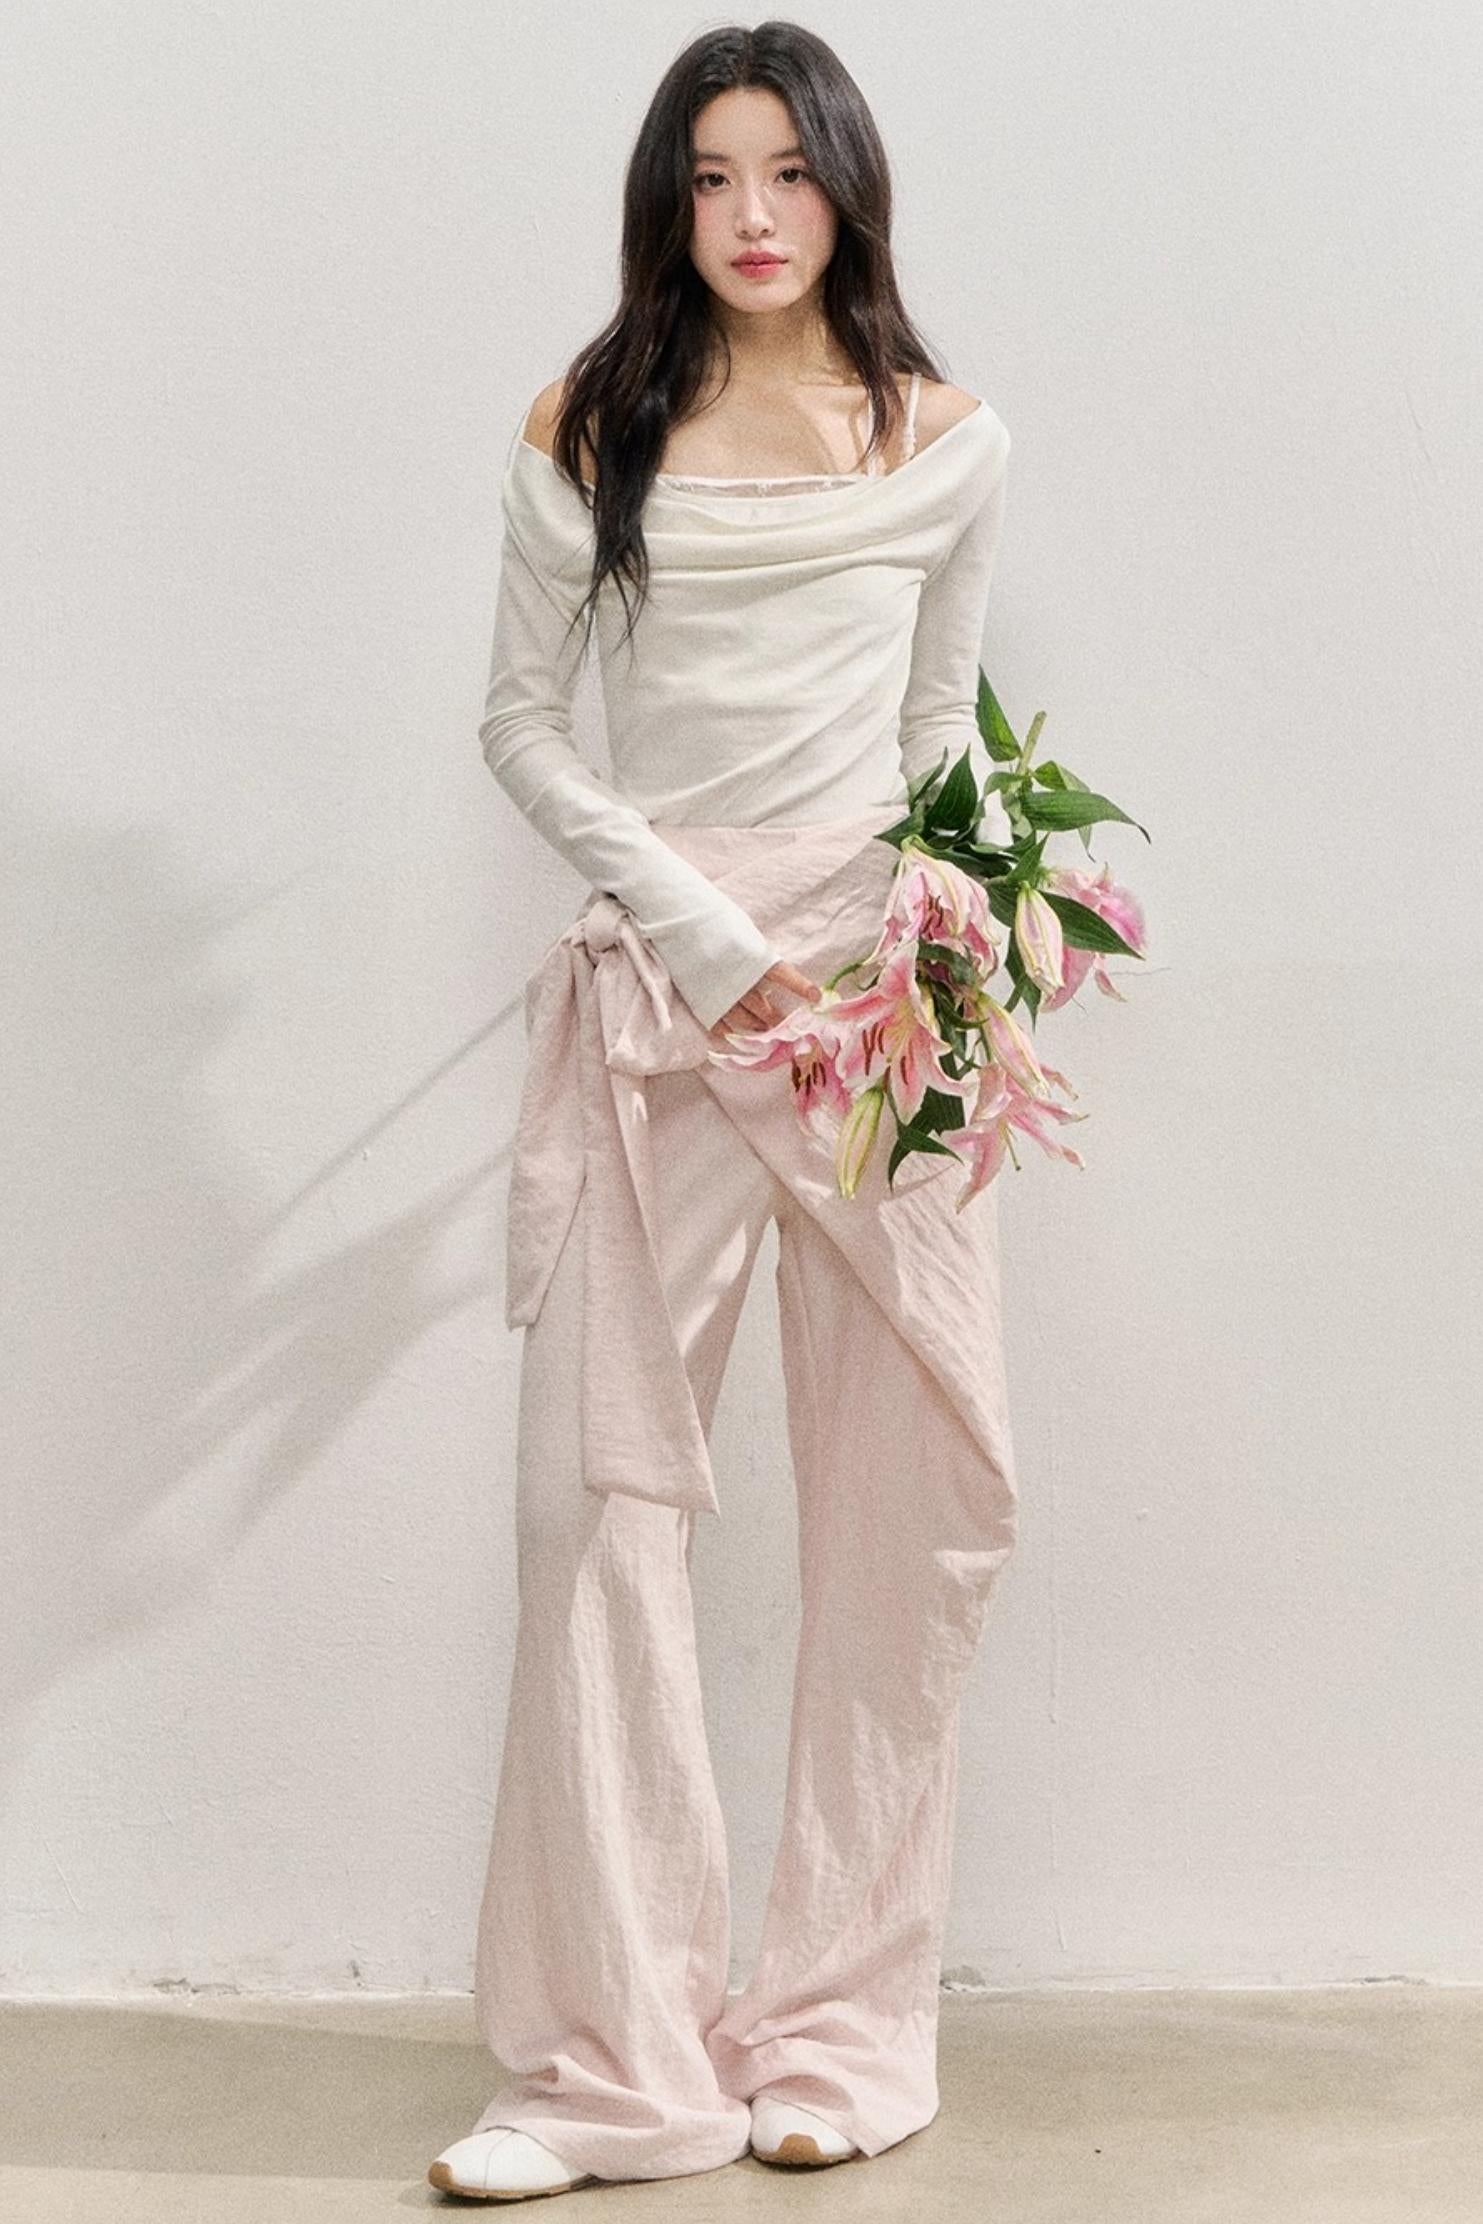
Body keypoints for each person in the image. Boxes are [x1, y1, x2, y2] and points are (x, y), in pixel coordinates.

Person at [429, 18, 1019, 2204]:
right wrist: (701, 936)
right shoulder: (589, 426)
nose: (753, 216)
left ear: (849, 188)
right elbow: (523, 724)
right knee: (595, 1510)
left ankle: (847, 2027)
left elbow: (939, 728)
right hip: (671, 1009)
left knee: (909, 1501)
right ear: (663, 202)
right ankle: (613, 2059)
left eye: (788, 171)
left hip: (880, 1016)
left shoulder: (944, 440)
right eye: (708, 177)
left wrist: (965, 922)